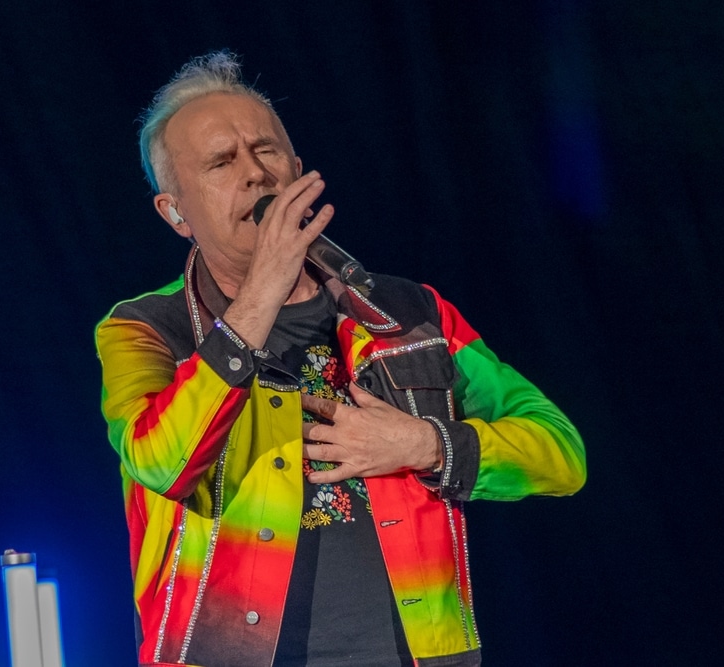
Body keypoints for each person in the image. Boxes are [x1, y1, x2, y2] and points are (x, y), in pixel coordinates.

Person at [96, 50, 586, 667]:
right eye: (222, 162)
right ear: (175, 212)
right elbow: (161, 462)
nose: (256, 174)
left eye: (267, 151)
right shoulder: (145, 328)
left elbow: (560, 452)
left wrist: (424, 445)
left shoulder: (408, 313)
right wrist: (260, 294)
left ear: (298, 172)